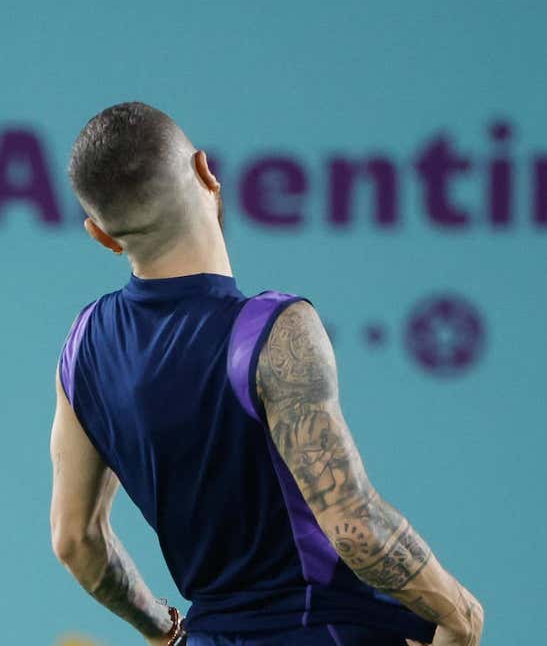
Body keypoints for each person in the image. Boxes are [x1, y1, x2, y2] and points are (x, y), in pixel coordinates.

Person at [49, 102, 483, 646]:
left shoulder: (85, 343)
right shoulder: (273, 329)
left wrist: (165, 630)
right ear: (206, 172)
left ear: (102, 235)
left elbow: (75, 541)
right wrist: (460, 611)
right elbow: (352, 524)